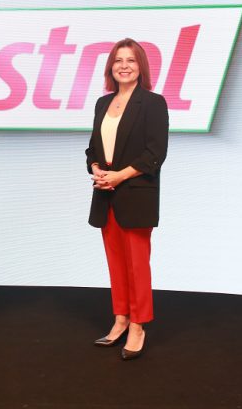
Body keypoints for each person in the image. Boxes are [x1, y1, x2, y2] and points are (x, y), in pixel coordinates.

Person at [85, 38, 169, 360]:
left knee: (137, 265)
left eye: (131, 60)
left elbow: (155, 153)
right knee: (116, 263)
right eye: (118, 60)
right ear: (111, 67)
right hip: (105, 194)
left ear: (140, 66)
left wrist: (119, 176)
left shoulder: (153, 103)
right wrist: (96, 168)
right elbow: (93, 148)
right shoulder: (102, 104)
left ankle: (138, 325)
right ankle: (120, 319)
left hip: (135, 194)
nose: (124, 66)